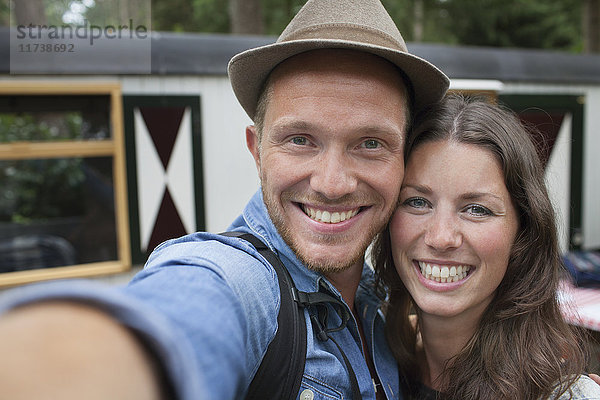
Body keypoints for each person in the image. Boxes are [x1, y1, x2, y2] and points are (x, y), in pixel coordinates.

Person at [0, 0, 449, 399]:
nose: (332, 184)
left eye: (370, 144)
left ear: (403, 160)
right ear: (257, 151)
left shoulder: (378, 301)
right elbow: (176, 322)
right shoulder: (235, 280)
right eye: (300, 140)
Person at [372, 94, 600, 400]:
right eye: (417, 202)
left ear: (524, 234)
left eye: (477, 209)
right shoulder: (369, 358)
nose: (441, 238)